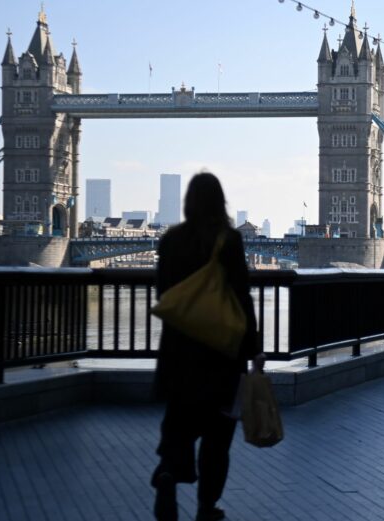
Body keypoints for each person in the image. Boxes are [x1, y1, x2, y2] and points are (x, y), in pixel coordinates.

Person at [151, 172, 263, 521]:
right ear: (220, 202)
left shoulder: (171, 240)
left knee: (179, 424)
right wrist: (254, 347)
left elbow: (163, 295)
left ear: (188, 202)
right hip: (221, 354)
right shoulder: (228, 240)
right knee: (217, 437)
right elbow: (241, 296)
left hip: (178, 352)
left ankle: (169, 473)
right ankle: (206, 507)